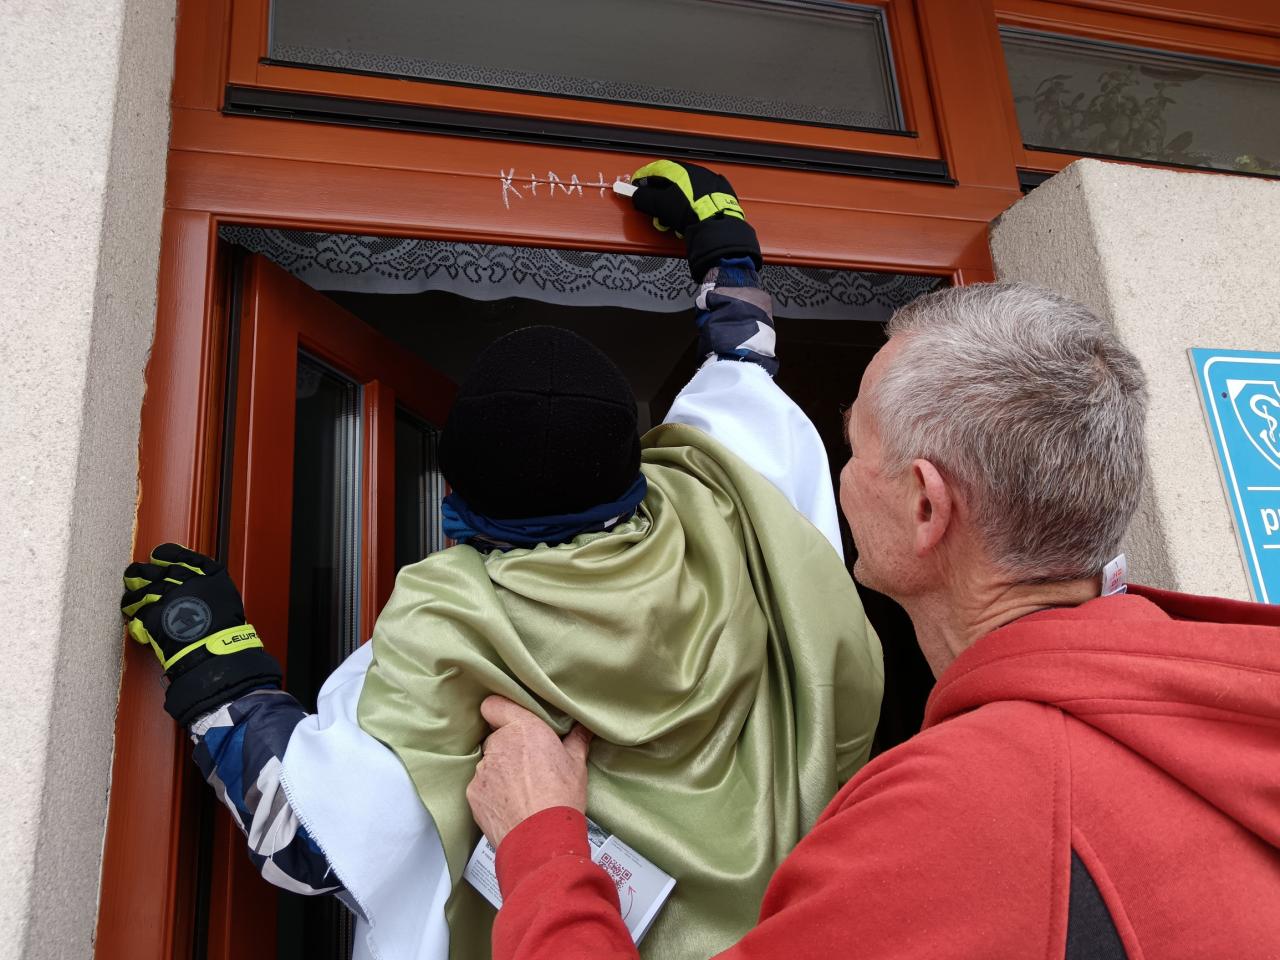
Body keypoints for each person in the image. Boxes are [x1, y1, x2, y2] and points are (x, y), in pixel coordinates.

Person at [119, 160, 883, 960]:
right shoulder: (726, 499)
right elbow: (743, 369)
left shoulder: (449, 621)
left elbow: (307, 842)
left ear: (454, 495)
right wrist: (725, 248)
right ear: (634, 458)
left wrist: (215, 660)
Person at [465, 282, 1280, 959]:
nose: (841, 474)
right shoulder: (1223, 700)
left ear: (926, 505)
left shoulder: (966, 821)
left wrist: (541, 843)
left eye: (853, 447)